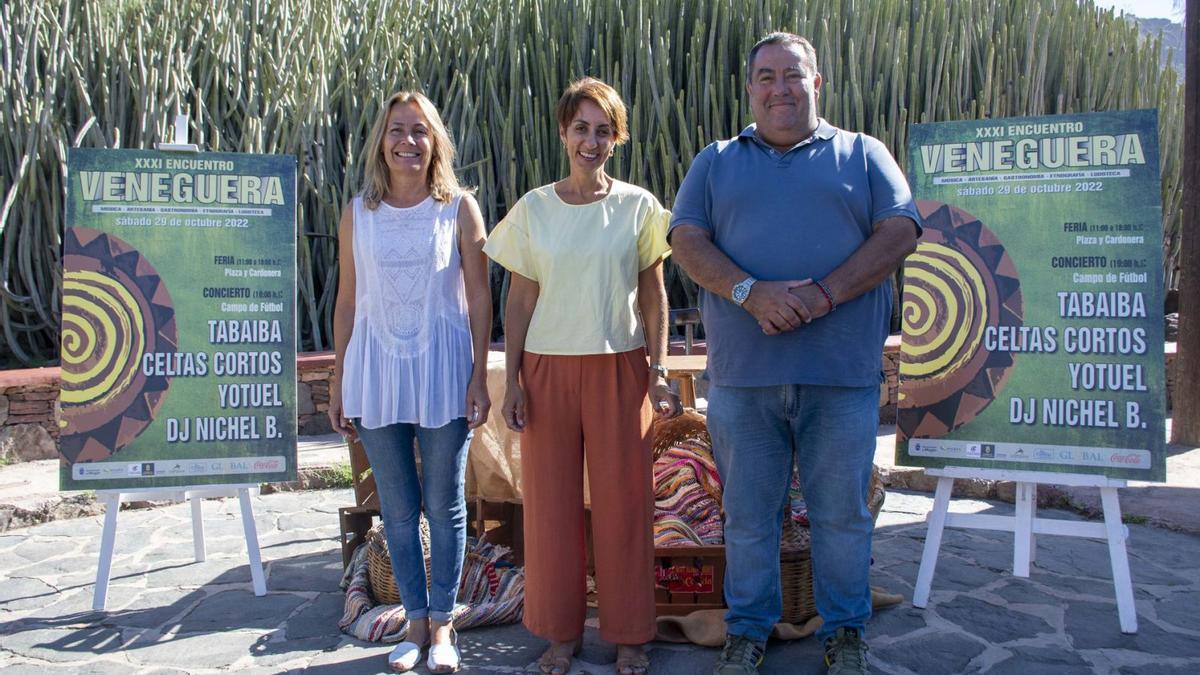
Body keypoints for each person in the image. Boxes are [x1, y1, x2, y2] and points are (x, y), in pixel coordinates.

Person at [668, 33, 921, 675]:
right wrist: (750, 293)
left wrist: (825, 295)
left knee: (841, 515)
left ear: (817, 82)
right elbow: (686, 239)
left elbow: (900, 230)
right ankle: (748, 631)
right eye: (765, 76)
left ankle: (845, 635)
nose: (779, 87)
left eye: (792, 75)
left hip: (840, 376)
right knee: (749, 515)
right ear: (750, 87)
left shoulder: (863, 155)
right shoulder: (716, 161)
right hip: (745, 379)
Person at [484, 77, 681, 675]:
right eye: (581, 128)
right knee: (549, 509)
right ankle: (559, 635)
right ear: (564, 133)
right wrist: (512, 380)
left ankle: (629, 635)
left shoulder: (639, 207)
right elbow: (518, 302)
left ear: (615, 139)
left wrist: (659, 369)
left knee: (625, 505)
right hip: (546, 372)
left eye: (603, 131)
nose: (590, 141)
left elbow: (654, 297)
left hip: (620, 368)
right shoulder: (533, 209)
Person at [329, 90, 492, 674]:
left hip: (443, 370)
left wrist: (479, 374)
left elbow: (479, 296)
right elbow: (348, 301)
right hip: (375, 372)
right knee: (397, 509)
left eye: (419, 131)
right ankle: (414, 623)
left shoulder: (459, 209)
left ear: (435, 142)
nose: (408, 142)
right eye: (397, 130)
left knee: (444, 503)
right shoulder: (357, 213)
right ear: (382, 140)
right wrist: (338, 377)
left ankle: (444, 624)